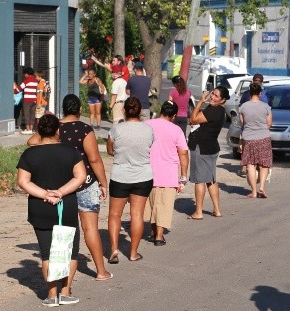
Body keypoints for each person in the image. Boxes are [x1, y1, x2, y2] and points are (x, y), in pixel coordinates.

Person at [27, 95, 113, 281]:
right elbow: (94, 159)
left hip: (60, 185)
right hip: (85, 182)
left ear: (64, 109)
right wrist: (103, 182)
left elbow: (31, 142)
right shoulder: (84, 129)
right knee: (90, 228)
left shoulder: (55, 127)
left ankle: (57, 275)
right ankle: (100, 270)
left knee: (60, 229)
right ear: (79, 109)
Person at [18, 115, 87, 307]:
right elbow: (80, 176)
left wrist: (44, 194)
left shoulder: (29, 154)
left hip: (40, 207)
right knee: (70, 251)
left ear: (39, 132)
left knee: (47, 253)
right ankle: (65, 292)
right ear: (58, 131)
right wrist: (61, 192)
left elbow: (23, 181)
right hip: (66, 206)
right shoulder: (71, 152)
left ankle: (50, 295)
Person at [107, 97, 155, 263]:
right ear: (140, 110)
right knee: (137, 214)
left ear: (124, 110)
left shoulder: (116, 130)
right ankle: (133, 252)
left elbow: (110, 150)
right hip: (143, 176)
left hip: (120, 175)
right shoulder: (148, 129)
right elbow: (149, 146)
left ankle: (114, 250)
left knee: (114, 214)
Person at [145, 101, 190, 246]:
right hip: (168, 174)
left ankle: (152, 231)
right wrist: (183, 175)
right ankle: (159, 235)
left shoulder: (147, 124)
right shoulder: (176, 130)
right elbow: (183, 153)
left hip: (147, 172)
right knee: (164, 206)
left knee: (151, 204)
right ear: (174, 115)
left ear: (161, 110)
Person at [187, 85, 229, 220]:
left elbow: (193, 119)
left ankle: (198, 212)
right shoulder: (220, 111)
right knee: (211, 179)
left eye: (216, 96)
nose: (212, 97)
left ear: (222, 100)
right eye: (213, 94)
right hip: (212, 147)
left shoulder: (214, 111)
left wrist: (200, 101)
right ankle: (217, 209)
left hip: (202, 147)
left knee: (199, 180)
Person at [239, 82, 273, 199]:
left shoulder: (243, 107)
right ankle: (262, 187)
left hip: (248, 138)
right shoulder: (266, 107)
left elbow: (242, 123)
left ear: (250, 93)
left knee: (250, 165)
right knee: (264, 164)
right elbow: (269, 124)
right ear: (260, 93)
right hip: (263, 137)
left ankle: (253, 191)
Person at [14, 67, 39, 133]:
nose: (24, 75)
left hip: (27, 100)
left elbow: (18, 90)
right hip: (34, 100)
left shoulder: (26, 81)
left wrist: (13, 89)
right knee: (32, 114)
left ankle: (28, 129)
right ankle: (31, 128)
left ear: (27, 74)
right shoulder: (36, 81)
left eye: (24, 74)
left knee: (27, 114)